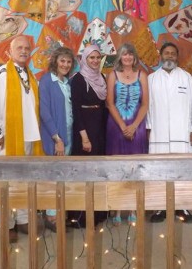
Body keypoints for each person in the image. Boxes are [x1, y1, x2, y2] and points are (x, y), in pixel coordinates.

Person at [0, 35, 41, 243]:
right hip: (9, 138)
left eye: (27, 48)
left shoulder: (30, 76)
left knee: (25, 181)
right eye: (19, 48)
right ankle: (6, 224)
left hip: (30, 137)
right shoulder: (1, 75)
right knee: (6, 184)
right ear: (10, 51)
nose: (24, 51)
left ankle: (23, 219)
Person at [147, 42, 192, 224]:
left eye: (173, 54)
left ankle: (182, 207)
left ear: (177, 57)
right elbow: (147, 107)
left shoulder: (186, 78)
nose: (169, 56)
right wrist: (148, 128)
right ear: (161, 56)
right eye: (166, 53)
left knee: (182, 171)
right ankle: (159, 208)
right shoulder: (151, 79)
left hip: (182, 134)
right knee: (159, 171)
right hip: (158, 133)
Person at [106, 42, 149, 225]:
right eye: (124, 54)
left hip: (137, 126)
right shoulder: (112, 75)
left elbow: (145, 104)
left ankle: (132, 208)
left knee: (135, 167)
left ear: (135, 57)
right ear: (120, 57)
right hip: (116, 126)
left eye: (131, 54)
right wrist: (123, 126)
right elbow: (109, 103)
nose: (128, 57)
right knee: (116, 168)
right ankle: (116, 209)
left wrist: (134, 126)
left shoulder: (142, 75)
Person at [70, 44, 108, 226]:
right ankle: (81, 217)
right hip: (85, 131)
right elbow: (76, 111)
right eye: (91, 58)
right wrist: (84, 137)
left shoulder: (102, 78)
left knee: (98, 172)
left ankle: (98, 213)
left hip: (99, 130)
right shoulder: (78, 79)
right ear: (84, 59)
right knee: (85, 173)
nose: (94, 61)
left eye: (97, 58)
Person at [39, 46, 76, 231]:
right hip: (55, 137)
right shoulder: (47, 81)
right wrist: (57, 139)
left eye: (69, 62)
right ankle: (51, 217)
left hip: (68, 135)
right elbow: (44, 112)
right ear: (55, 61)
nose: (65, 65)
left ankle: (60, 214)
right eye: (62, 61)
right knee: (53, 177)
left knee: (63, 177)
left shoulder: (67, 82)